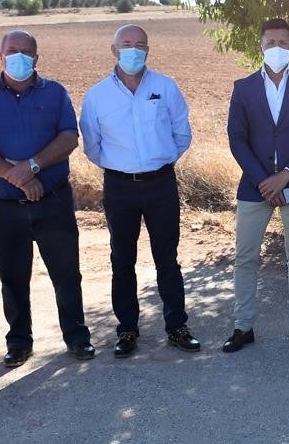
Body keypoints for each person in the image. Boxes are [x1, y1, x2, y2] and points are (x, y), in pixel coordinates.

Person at [0, 30, 94, 367]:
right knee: (13, 276)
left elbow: (68, 138)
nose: (19, 56)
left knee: (66, 273)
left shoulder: (55, 93)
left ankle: (77, 337)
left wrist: (32, 166)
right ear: (0, 55)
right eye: (12, 50)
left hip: (53, 201)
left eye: (26, 51)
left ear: (37, 58)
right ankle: (19, 342)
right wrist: (17, 177)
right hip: (4, 206)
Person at [79, 24, 199, 357]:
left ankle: (177, 326)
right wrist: (123, 166)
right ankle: (127, 330)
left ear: (148, 49)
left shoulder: (165, 86)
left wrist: (158, 162)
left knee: (167, 259)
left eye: (140, 44)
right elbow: (92, 144)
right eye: (127, 44)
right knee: (122, 260)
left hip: (161, 184)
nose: (134, 50)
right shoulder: (97, 96)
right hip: (119, 187)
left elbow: (181, 134)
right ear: (113, 49)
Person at [224, 18, 289, 352]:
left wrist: (285, 176)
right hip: (255, 186)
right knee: (245, 257)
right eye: (271, 42)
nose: (277, 48)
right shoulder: (244, 88)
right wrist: (263, 180)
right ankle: (243, 326)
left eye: (284, 42)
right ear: (260, 46)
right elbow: (237, 139)